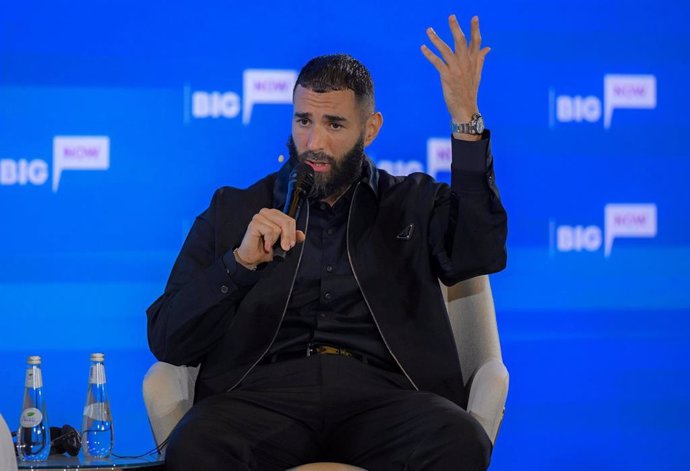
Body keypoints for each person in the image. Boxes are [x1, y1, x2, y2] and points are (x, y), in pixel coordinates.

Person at [147, 13, 506, 471]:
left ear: (370, 129)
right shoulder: (235, 210)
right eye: (303, 121)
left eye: (334, 125)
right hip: (261, 396)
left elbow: (481, 252)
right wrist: (238, 265)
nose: (313, 142)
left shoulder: (414, 202)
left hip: (385, 398)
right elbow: (167, 339)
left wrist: (465, 125)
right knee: (195, 444)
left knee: (460, 440)